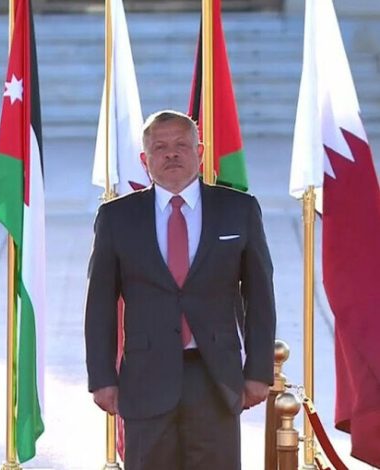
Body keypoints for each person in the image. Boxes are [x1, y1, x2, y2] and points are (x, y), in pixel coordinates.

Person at [84, 110, 276, 469]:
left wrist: (259, 371)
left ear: (199, 152)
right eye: (160, 147)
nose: (171, 154)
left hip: (216, 377)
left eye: (181, 145)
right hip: (146, 378)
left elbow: (260, 296)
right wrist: (102, 378)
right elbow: (99, 305)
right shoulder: (116, 218)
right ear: (145, 160)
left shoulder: (238, 210)